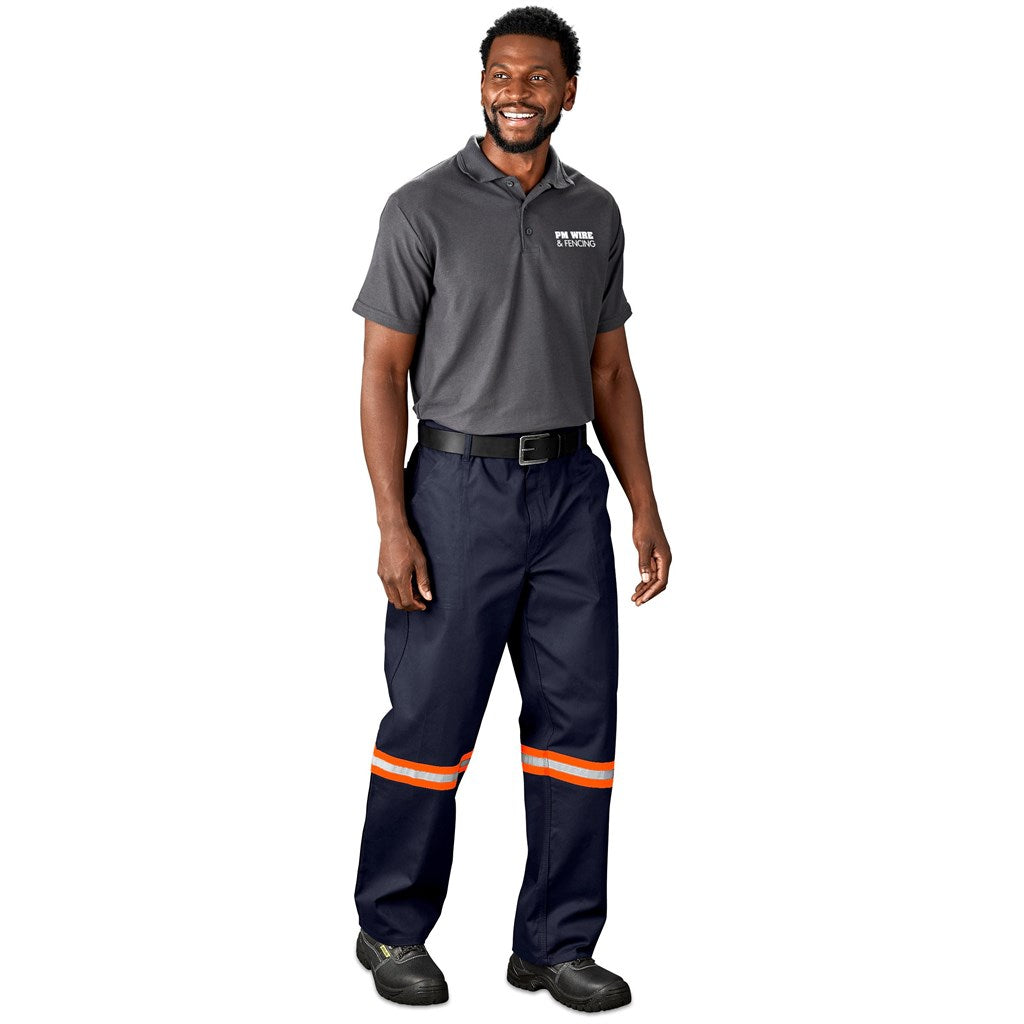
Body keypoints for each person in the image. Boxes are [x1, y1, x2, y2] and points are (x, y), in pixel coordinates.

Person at [350, 6, 670, 1011]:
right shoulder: (420, 207)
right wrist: (393, 521)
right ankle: (390, 926)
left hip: (569, 493)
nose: (516, 93)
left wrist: (644, 506)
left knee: (579, 725)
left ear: (568, 90)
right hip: (456, 491)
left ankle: (556, 943)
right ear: (481, 84)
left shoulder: (596, 213)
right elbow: (381, 374)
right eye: (500, 74)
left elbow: (609, 372)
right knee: (432, 717)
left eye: (536, 77)